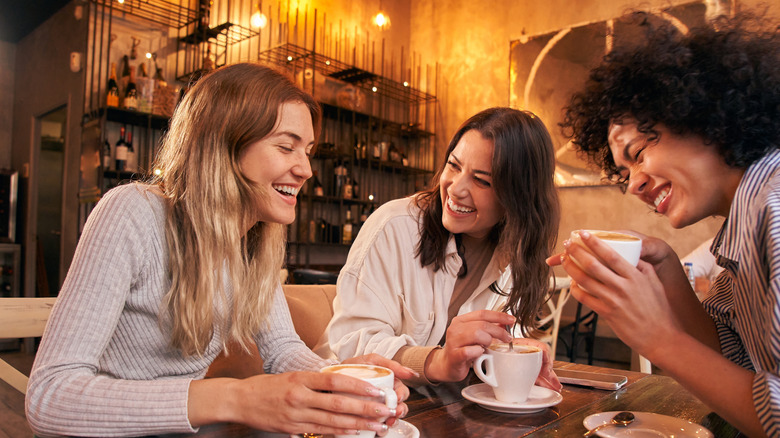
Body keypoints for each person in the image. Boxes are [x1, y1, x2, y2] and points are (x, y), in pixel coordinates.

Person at [25, 63, 411, 437]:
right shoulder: (132, 212)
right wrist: (235, 397)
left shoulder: (255, 241)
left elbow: (282, 349)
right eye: (286, 147)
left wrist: (341, 381)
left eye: (307, 150)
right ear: (223, 146)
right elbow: (49, 396)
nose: (306, 169)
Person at [552, 11, 780, 437]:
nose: (634, 185)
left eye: (637, 153)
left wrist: (656, 337)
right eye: (624, 173)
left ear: (702, 115)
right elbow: (733, 361)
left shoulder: (775, 207)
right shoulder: (742, 226)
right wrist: (669, 269)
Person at [318, 107, 562, 390]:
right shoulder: (395, 226)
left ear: (519, 197)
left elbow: (502, 338)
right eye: (454, 165)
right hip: (354, 402)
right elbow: (352, 340)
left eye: (482, 180)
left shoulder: (516, 252)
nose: (455, 189)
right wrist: (438, 361)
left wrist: (515, 350)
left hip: (442, 409)